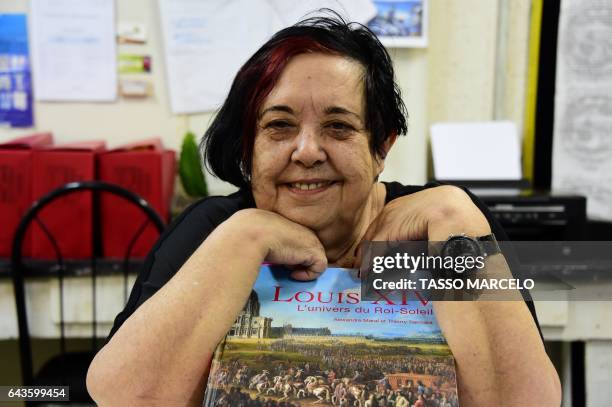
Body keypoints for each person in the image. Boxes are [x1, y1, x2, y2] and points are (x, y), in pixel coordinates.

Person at [87, 15, 561, 406]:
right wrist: (247, 235)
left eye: (338, 127)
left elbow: (523, 401)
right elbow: (124, 396)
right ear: (249, 147)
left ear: (381, 147)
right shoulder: (212, 230)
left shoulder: (449, 228)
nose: (307, 151)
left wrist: (456, 217)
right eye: (278, 127)